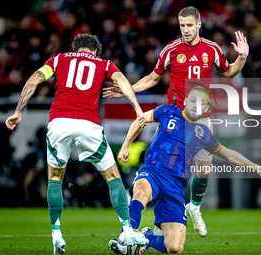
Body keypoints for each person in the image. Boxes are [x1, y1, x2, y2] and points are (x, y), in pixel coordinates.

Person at [103, 6, 249, 237]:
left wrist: (241, 57)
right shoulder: (171, 49)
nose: (186, 30)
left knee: (203, 172)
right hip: (175, 117)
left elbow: (229, 73)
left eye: (190, 25)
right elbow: (152, 78)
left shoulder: (211, 49)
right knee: (171, 170)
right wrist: (127, 90)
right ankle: (162, 223)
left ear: (199, 24)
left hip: (202, 119)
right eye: (182, 26)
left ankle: (194, 207)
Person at [5, 34, 148, 254]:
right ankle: (127, 229)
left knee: (54, 178)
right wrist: (137, 108)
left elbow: (34, 79)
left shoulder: (59, 59)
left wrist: (18, 111)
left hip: (59, 122)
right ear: (95, 52)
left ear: (76, 49)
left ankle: (56, 235)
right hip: (88, 123)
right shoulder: (103, 63)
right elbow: (121, 81)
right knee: (112, 176)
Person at [109, 87, 261, 254]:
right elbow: (140, 120)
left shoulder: (204, 134)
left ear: (206, 110)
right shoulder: (167, 110)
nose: (196, 105)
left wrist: (257, 168)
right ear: (186, 101)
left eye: (202, 103)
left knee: (175, 247)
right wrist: (125, 145)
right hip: (153, 171)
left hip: (175, 186)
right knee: (141, 194)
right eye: (193, 100)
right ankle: (125, 239)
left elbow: (230, 155)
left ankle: (146, 238)